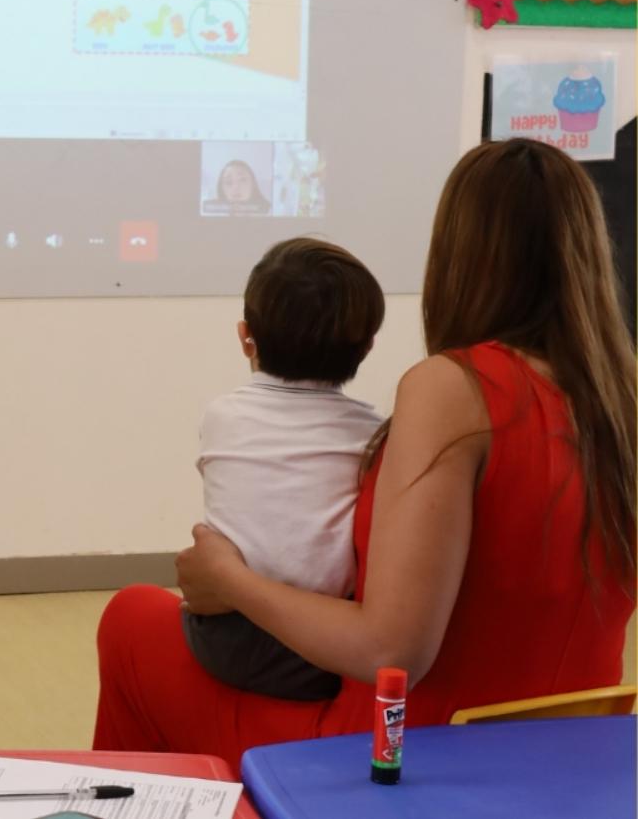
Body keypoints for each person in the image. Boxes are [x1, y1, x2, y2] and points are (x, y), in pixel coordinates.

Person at [95, 138, 636, 768]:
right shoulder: (617, 399)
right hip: (579, 754)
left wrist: (233, 583)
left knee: (134, 620)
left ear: (459, 255)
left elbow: (392, 650)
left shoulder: (455, 389)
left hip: (405, 755)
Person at [186, 238, 383, 702]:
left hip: (221, 637)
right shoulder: (374, 436)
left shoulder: (221, 416)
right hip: (323, 653)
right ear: (367, 346)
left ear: (244, 335)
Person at [203, 160, 271, 216]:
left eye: (242, 179)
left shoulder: (269, 213)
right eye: (228, 182)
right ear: (222, 189)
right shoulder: (211, 214)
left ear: (253, 184)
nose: (236, 187)